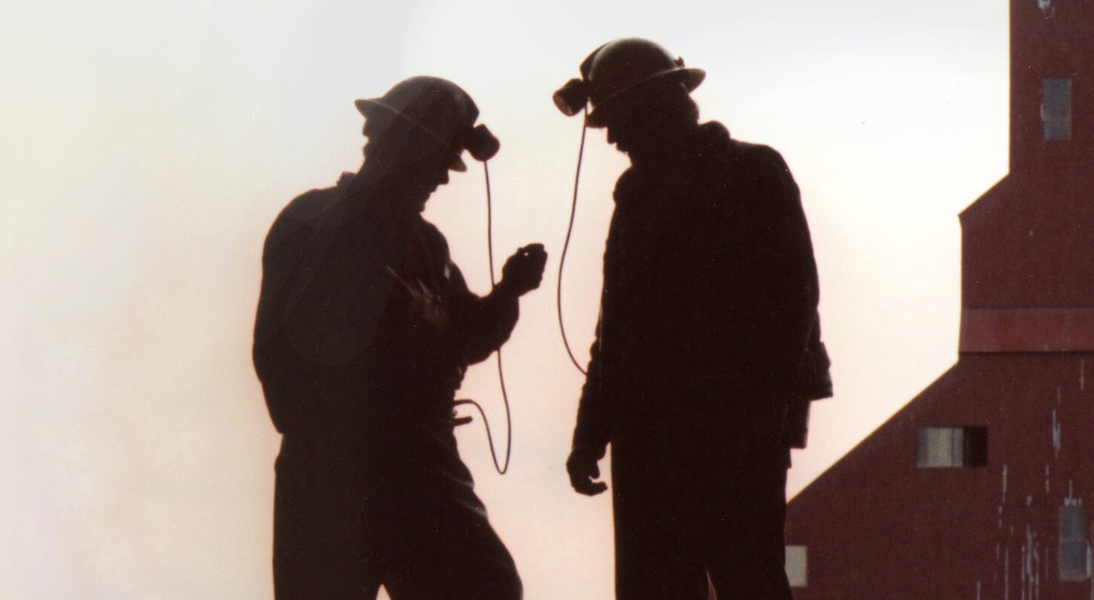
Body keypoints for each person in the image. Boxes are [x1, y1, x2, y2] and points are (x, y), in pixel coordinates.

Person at [553, 39, 832, 600]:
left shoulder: (752, 172)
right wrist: (589, 435)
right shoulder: (633, 200)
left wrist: (765, 409)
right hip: (651, 436)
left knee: (747, 579)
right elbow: (615, 330)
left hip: (733, 428)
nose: (612, 139)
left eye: (619, 122)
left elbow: (793, 299)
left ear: (657, 111)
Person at [252, 76, 544, 600]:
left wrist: (509, 293)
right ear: (407, 150)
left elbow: (465, 337)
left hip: (418, 465)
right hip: (333, 471)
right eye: (439, 161)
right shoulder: (310, 223)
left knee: (488, 589)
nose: (444, 179)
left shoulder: (426, 244)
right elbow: (277, 349)